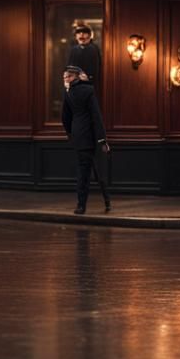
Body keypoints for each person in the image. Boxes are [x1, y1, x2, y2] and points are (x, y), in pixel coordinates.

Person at [62, 65, 111, 215]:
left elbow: (65, 118)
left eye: (66, 77)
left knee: (83, 171)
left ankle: (81, 206)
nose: (64, 80)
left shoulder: (69, 93)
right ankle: (107, 201)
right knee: (97, 170)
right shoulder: (89, 91)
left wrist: (71, 133)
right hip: (92, 137)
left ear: (74, 77)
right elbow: (96, 117)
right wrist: (102, 140)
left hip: (79, 137)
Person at [68, 23, 101, 87]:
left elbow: (96, 70)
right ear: (76, 36)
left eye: (84, 32)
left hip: (89, 83)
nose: (81, 34)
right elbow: (70, 67)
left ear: (89, 35)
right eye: (78, 32)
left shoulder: (93, 49)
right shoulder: (74, 50)